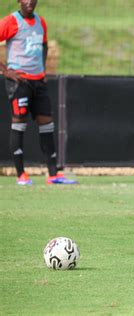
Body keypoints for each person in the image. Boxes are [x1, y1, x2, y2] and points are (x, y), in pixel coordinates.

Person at [0, 0, 76, 185]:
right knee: (19, 123)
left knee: (47, 123)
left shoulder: (41, 22)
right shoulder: (11, 21)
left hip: (38, 82)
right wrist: (5, 70)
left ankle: (53, 175)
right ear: (19, 1)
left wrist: (42, 69)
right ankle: (21, 175)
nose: (29, 2)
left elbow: (44, 45)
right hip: (19, 82)